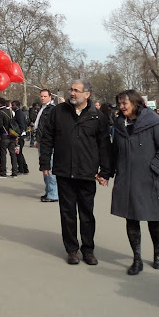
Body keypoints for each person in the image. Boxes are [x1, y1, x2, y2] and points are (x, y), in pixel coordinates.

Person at [39, 80, 111, 265]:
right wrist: (45, 162)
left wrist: (105, 171)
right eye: (71, 90)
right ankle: (72, 250)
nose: (72, 93)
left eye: (76, 91)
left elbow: (104, 145)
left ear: (86, 94)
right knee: (67, 213)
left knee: (87, 214)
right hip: (64, 171)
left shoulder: (97, 117)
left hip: (87, 173)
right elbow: (47, 137)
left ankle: (88, 250)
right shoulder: (58, 112)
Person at [111, 90, 159, 274]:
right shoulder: (119, 124)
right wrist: (109, 171)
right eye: (119, 104)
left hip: (149, 178)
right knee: (131, 218)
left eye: (125, 103)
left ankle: (157, 252)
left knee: (153, 218)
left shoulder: (153, 122)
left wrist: (154, 167)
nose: (121, 107)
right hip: (126, 179)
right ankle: (136, 259)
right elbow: (115, 151)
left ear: (136, 103)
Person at [34, 89, 57, 202]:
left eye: (44, 96)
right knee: (45, 167)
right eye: (41, 96)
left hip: (49, 142)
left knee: (50, 168)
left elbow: (49, 127)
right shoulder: (43, 108)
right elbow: (39, 126)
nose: (42, 98)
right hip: (42, 141)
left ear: (50, 97)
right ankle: (49, 191)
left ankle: (53, 193)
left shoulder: (52, 109)